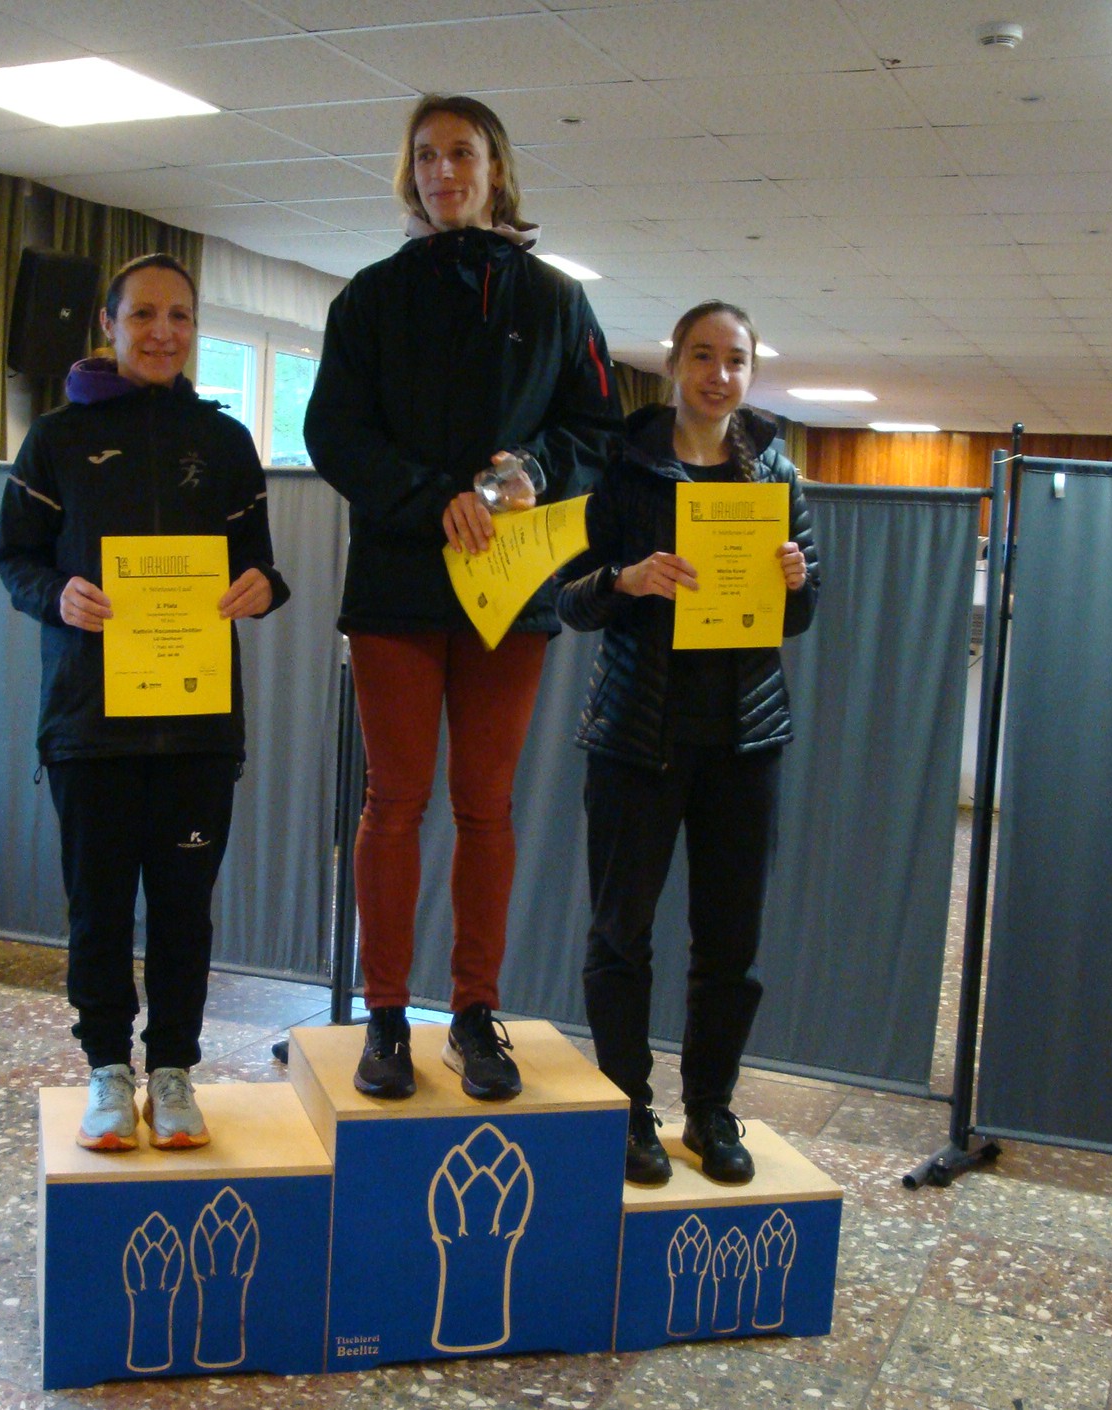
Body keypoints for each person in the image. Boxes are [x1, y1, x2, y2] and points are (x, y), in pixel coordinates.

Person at [305, 94, 621, 1102]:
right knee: (392, 802)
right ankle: (385, 1017)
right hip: (397, 585)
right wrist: (427, 496)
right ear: (411, 173)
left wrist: (535, 470)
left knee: (485, 806)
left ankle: (475, 1015)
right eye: (426, 155)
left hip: (508, 589)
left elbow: (597, 430)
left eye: (462, 153)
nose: (443, 171)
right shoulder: (368, 297)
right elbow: (333, 432)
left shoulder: (557, 300)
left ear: (496, 170)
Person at [0, 253, 289, 1152]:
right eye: (144, 315)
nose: (164, 332)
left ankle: (174, 1071)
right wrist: (58, 595)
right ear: (110, 326)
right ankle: (106, 1071)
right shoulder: (57, 438)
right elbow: (14, 558)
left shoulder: (225, 442)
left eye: (180, 316)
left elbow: (260, 563)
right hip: (90, 725)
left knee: (185, 911)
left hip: (199, 727)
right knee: (99, 909)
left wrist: (262, 589)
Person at [555, 300, 819, 1186]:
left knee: (730, 943)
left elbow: (801, 615)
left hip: (745, 739)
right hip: (637, 735)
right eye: (702, 356)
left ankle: (709, 1109)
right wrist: (626, 580)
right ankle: (627, 1108)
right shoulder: (621, 464)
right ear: (674, 364)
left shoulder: (776, 470)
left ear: (751, 372)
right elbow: (568, 600)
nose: (718, 375)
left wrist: (796, 580)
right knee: (620, 935)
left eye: (735, 359)